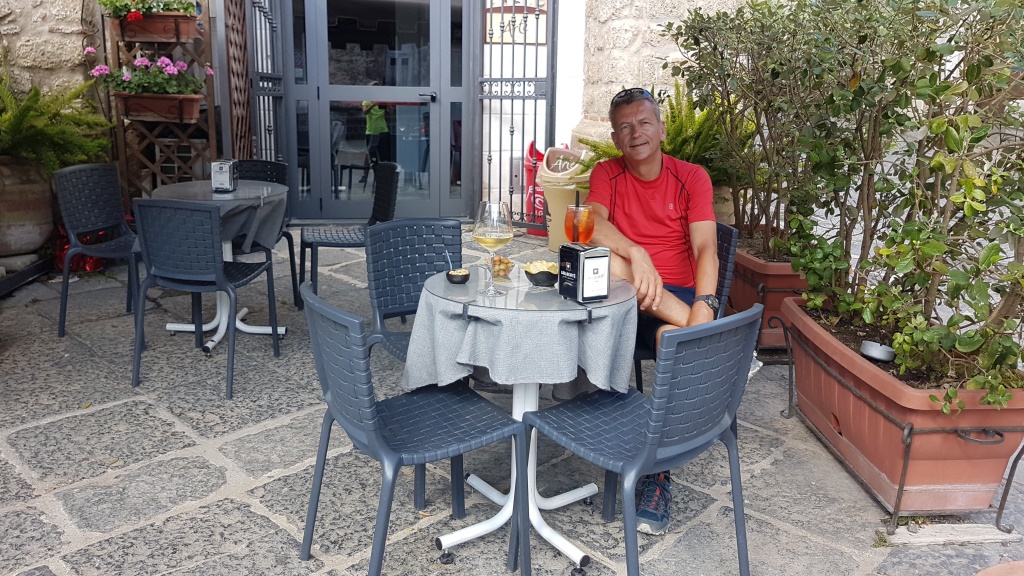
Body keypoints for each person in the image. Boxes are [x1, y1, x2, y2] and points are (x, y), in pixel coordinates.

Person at [586, 87, 720, 535]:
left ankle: (657, 474)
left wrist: (704, 304)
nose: (635, 133)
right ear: (614, 137)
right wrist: (637, 253)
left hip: (678, 294)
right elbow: (592, 223)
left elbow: (706, 249)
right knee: (606, 263)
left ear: (662, 130)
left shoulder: (691, 177)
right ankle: (710, 340)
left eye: (644, 123)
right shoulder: (606, 172)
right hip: (623, 293)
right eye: (624, 127)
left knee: (670, 340)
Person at [359, 82, 389, 183]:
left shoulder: (381, 102)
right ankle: (365, 175)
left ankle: (382, 175)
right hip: (371, 131)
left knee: (382, 154)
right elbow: (365, 112)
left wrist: (388, 106)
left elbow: (389, 113)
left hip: (382, 130)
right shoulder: (367, 101)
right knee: (369, 153)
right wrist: (373, 105)